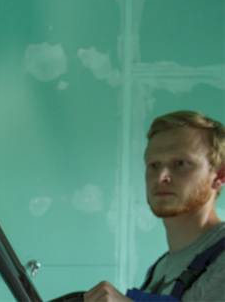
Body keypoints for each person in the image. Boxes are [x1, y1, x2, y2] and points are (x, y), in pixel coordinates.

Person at [83, 110, 225, 302]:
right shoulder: (159, 268)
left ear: (219, 176)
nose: (161, 177)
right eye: (154, 165)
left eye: (180, 163)